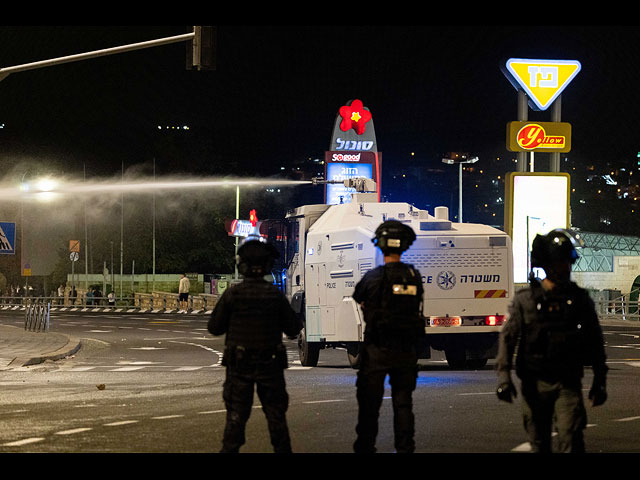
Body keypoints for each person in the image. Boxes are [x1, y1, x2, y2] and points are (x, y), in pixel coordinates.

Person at [496, 228, 608, 453]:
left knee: (571, 437)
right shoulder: (526, 300)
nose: (565, 267)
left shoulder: (579, 300)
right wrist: (504, 378)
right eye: (559, 262)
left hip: (568, 382)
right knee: (539, 443)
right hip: (534, 383)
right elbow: (508, 338)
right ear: (547, 264)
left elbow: (595, 341)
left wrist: (600, 380)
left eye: (567, 262)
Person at [208, 236, 302, 453]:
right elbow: (292, 328)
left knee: (235, 421)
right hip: (270, 365)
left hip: (239, 367)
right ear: (268, 266)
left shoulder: (233, 294)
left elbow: (214, 327)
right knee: (277, 420)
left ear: (241, 266)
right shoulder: (274, 295)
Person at [351, 220, 425, 453]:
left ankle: (365, 447)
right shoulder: (413, 276)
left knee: (369, 405)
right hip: (405, 349)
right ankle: (405, 448)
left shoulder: (373, 277)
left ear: (381, 246)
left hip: (376, 350)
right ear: (404, 247)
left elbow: (358, 297)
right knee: (403, 403)